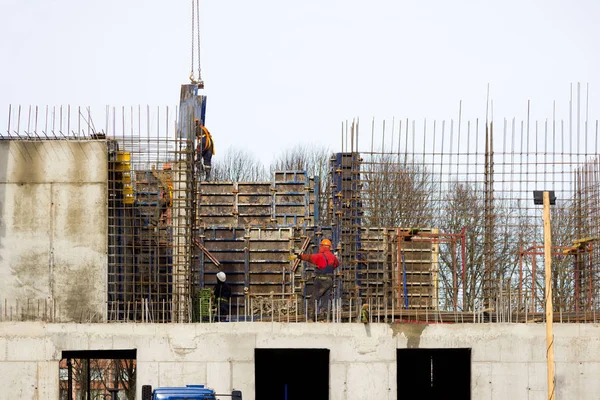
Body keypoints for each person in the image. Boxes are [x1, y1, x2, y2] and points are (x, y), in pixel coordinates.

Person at [290, 238, 339, 321]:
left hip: (320, 280)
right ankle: (326, 318)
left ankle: (310, 318)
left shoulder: (319, 256)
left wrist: (298, 256)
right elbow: (336, 264)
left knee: (314, 299)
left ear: (322, 246)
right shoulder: (333, 257)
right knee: (326, 299)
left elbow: (308, 257)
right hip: (329, 280)